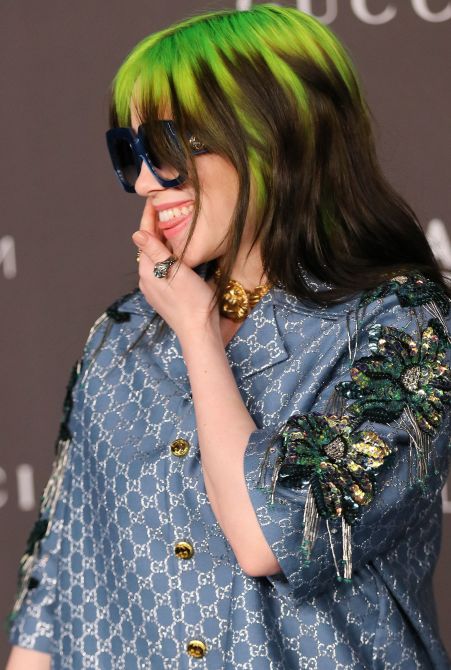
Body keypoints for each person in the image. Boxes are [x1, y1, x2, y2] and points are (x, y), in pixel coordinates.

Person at [6, 4, 451, 669]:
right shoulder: (122, 338)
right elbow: (57, 582)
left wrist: (197, 330)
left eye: (166, 148)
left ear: (273, 138)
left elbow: (272, 538)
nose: (146, 181)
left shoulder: (400, 327)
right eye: (129, 153)